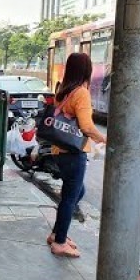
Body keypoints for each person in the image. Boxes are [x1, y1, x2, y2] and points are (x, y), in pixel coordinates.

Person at [48, 53, 106, 258]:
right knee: (71, 196)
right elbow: (87, 126)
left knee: (75, 193)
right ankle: (60, 242)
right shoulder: (81, 93)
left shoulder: (62, 91)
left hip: (59, 150)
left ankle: (57, 233)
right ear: (86, 70)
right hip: (73, 152)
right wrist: (104, 139)